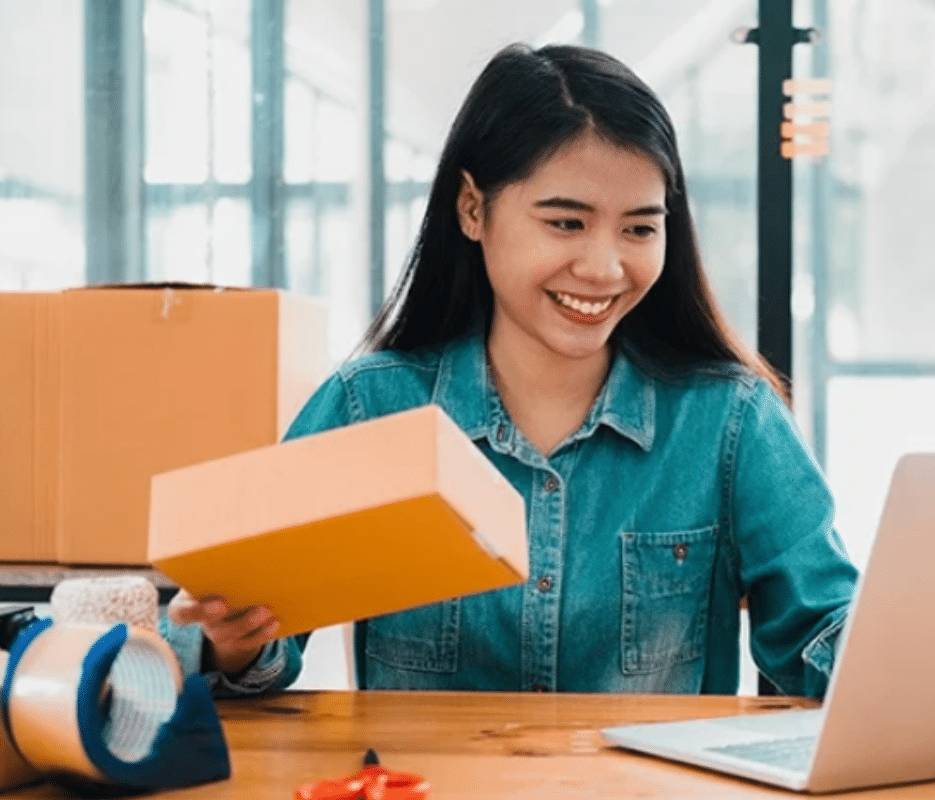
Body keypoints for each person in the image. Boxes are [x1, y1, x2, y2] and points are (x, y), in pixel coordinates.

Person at [162, 42, 858, 698]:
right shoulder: (369, 405)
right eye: (565, 222)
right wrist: (232, 642)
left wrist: (914, 646)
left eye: (640, 228)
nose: (604, 267)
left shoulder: (730, 422)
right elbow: (237, 644)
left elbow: (823, 635)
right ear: (473, 209)